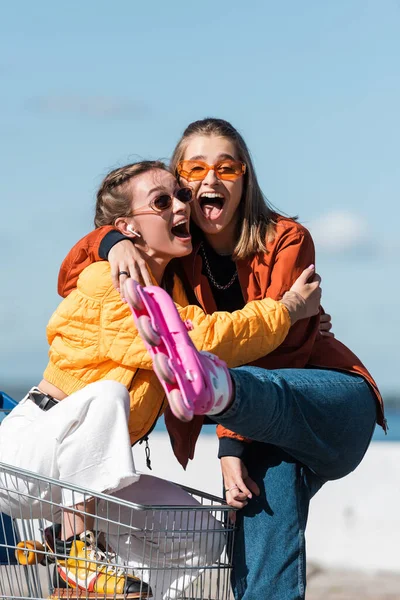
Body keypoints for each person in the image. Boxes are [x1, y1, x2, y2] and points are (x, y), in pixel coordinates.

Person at [58, 118, 385, 600]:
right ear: (180, 184)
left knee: (255, 410)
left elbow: (284, 352)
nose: (211, 180)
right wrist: (115, 241)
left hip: (330, 401)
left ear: (245, 179)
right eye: (195, 168)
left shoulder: (286, 238)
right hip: (264, 432)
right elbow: (71, 275)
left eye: (227, 168)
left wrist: (229, 448)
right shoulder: (178, 255)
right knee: (261, 506)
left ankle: (217, 386)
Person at [0, 160, 320, 600]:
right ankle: (75, 549)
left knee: (203, 535)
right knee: (108, 395)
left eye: (181, 195)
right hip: (28, 458)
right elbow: (201, 337)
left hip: (77, 476)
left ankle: (102, 579)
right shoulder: (108, 281)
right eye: (162, 201)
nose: (180, 207)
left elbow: (212, 326)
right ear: (126, 227)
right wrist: (286, 311)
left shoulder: (168, 291)